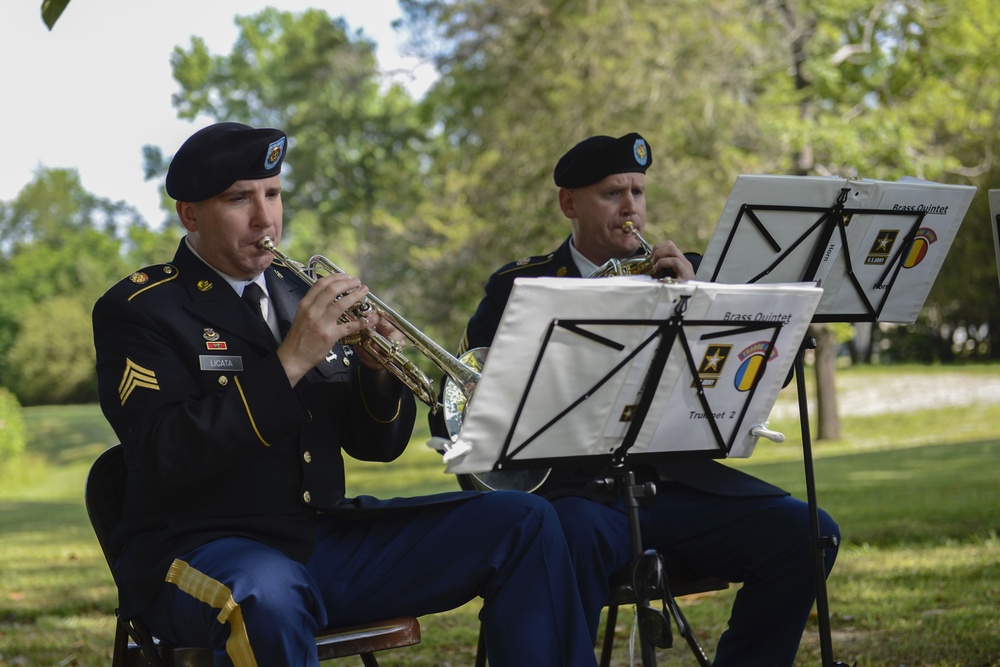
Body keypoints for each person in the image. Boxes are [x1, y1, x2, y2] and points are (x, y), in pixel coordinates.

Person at [92, 122, 599, 667]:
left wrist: (378, 374)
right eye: (239, 199)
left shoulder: (297, 294)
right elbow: (168, 453)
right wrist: (290, 360)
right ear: (190, 215)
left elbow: (374, 447)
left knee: (525, 521)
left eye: (273, 193)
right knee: (266, 597)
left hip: (321, 540)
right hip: (199, 550)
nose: (266, 218)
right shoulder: (142, 309)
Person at [432, 132, 841, 665]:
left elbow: (760, 372)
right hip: (575, 495)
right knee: (556, 547)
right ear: (569, 203)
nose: (632, 209)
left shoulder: (686, 273)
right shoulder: (518, 287)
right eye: (612, 194)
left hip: (677, 485)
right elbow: (456, 403)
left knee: (808, 535)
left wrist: (700, 305)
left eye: (639, 193)